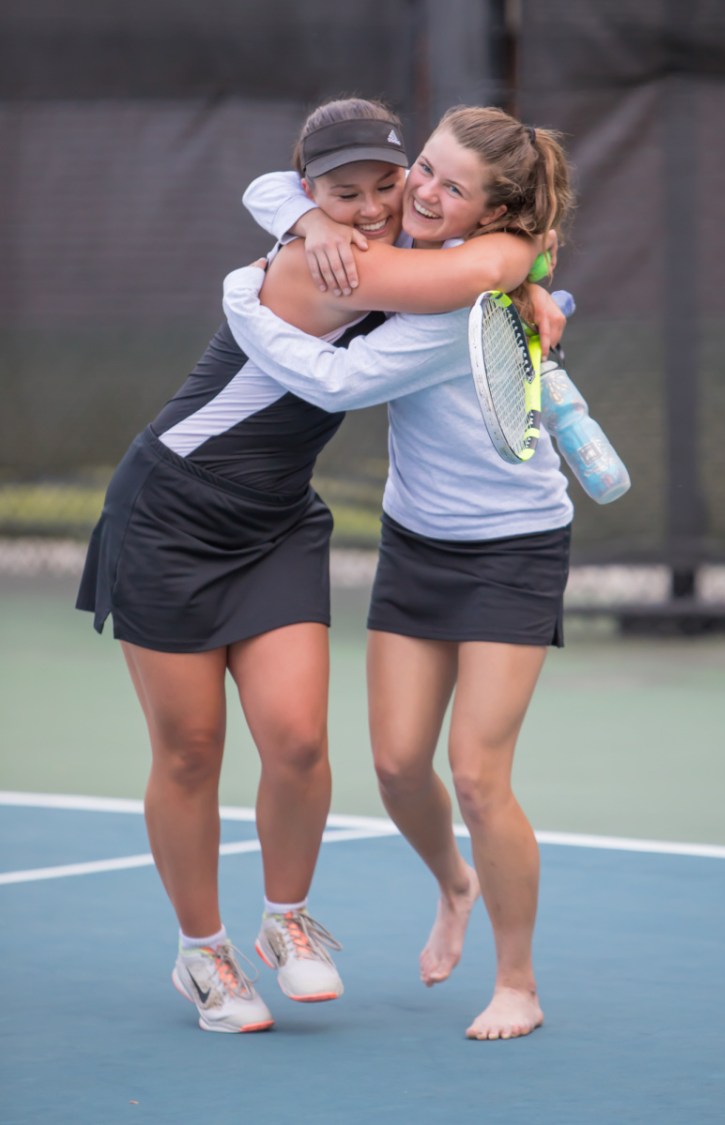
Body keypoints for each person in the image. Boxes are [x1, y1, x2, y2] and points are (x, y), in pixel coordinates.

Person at [75, 97, 549, 1034]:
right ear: (309, 190)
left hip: (278, 520)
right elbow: (493, 263)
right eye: (346, 191)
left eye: (392, 180)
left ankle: (286, 924)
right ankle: (201, 952)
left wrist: (523, 276)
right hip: (171, 511)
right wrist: (519, 265)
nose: (376, 205)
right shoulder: (333, 260)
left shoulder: (379, 243)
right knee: (191, 749)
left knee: (295, 742)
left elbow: (491, 263)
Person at [223, 103, 576, 1041]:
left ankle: (517, 982)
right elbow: (273, 185)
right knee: (394, 763)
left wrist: (241, 302)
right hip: (418, 537)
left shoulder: (461, 286)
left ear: (491, 215)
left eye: (449, 186)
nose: (418, 189)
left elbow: (337, 382)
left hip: (513, 545)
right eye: (423, 165)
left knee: (476, 774)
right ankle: (454, 882)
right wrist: (310, 221)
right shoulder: (411, 254)